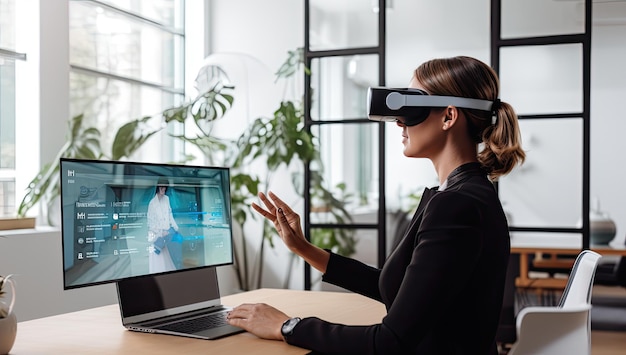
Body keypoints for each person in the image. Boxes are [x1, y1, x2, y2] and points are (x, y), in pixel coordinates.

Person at [226, 56, 526, 354]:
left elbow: (390, 342)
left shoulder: (456, 205)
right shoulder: (460, 194)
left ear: (448, 117)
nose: (398, 121)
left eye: (412, 108)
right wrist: (303, 248)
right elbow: (395, 287)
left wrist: (287, 326)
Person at [147, 177, 180, 273]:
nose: (163, 189)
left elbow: (170, 215)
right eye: (161, 187)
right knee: (157, 256)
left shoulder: (166, 199)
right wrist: (161, 232)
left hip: (165, 234)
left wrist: (175, 227)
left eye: (165, 187)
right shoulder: (152, 203)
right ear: (158, 187)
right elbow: (150, 222)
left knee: (165, 256)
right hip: (156, 235)